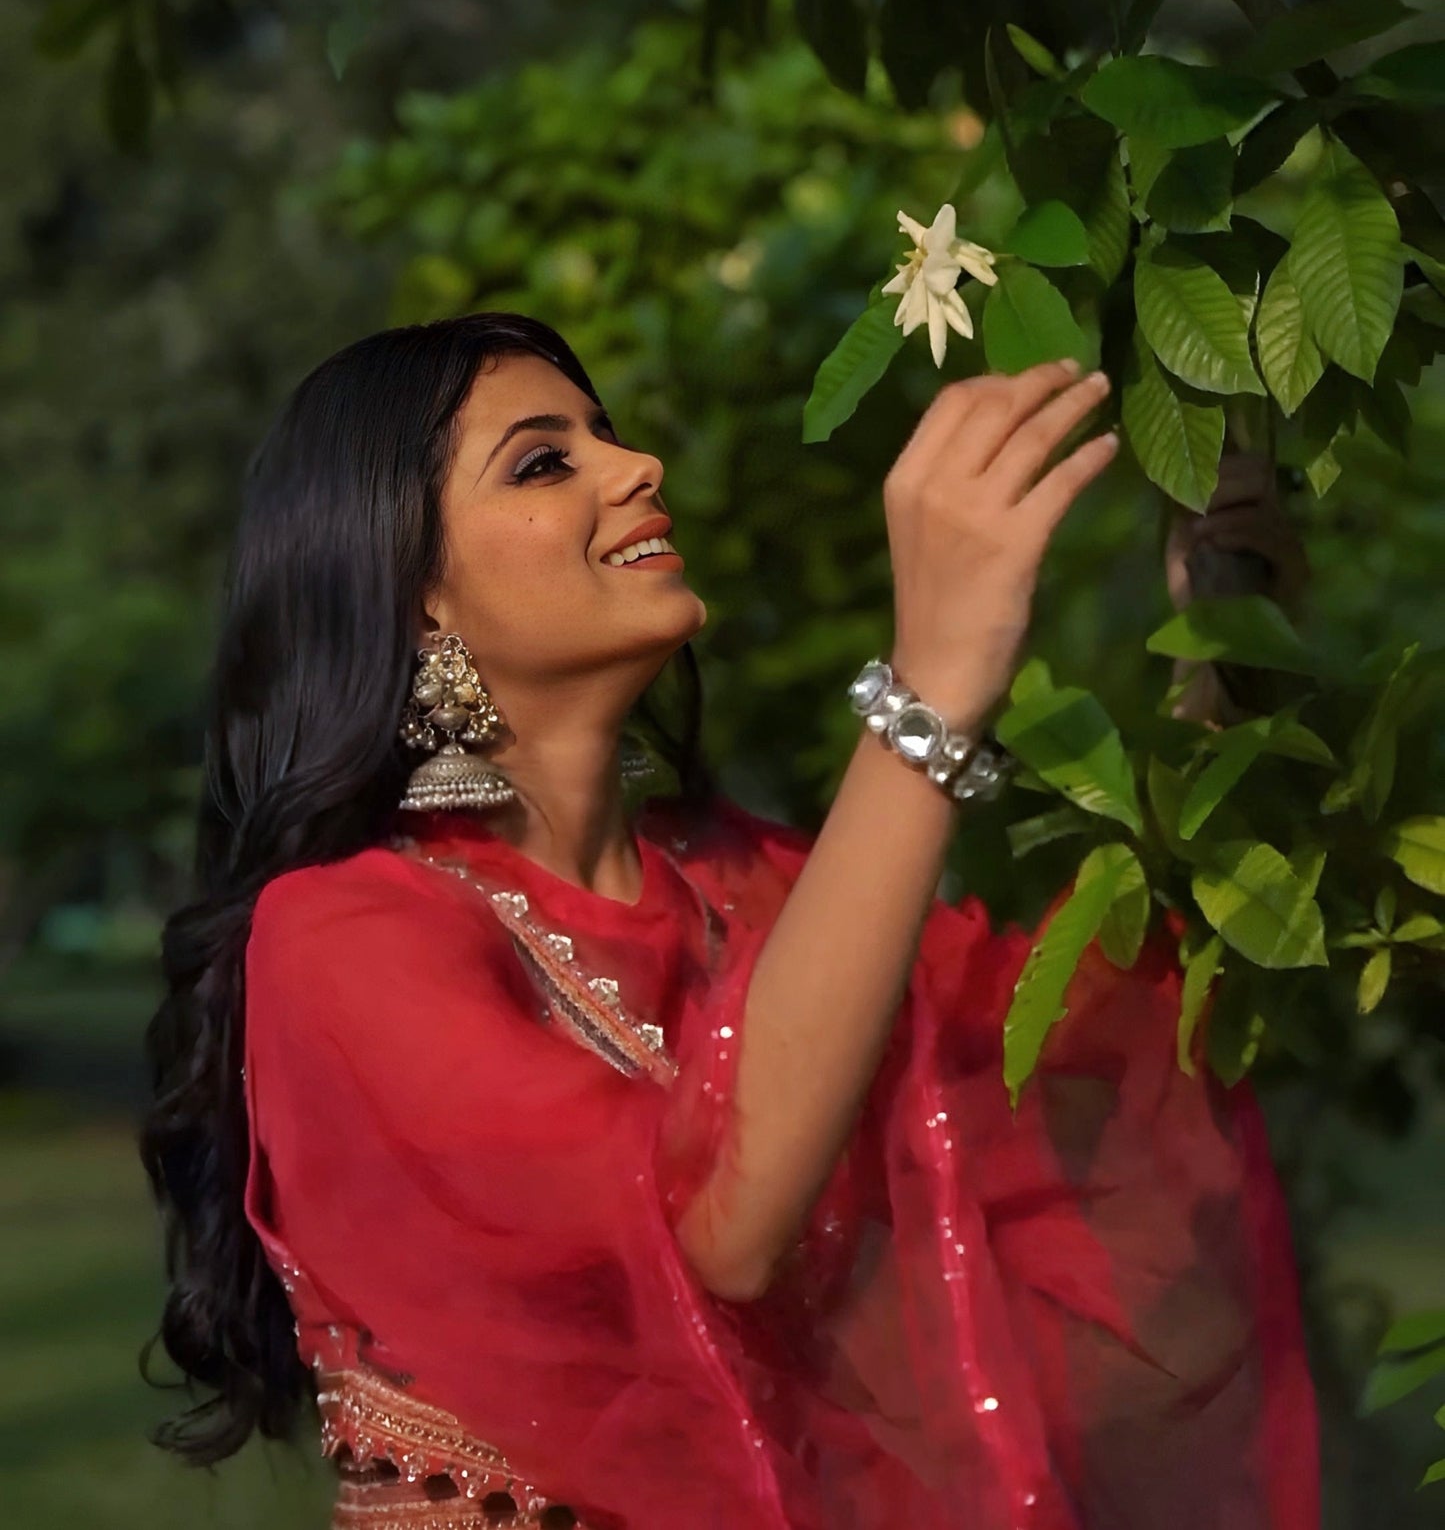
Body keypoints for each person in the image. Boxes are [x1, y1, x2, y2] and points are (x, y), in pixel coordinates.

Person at [142, 310, 1320, 1530]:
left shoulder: (743, 889)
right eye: (545, 462)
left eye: (605, 433)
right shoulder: (340, 938)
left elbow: (1088, 1029)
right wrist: (928, 690)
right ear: (412, 598)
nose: (635, 466)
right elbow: (714, 1224)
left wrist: (1233, 643)